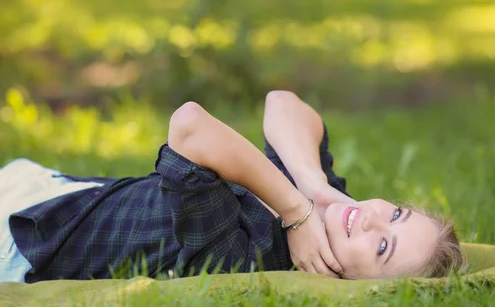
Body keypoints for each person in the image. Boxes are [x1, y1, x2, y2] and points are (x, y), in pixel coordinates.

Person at [0, 91, 464, 283]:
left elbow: (190, 127)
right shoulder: (323, 215)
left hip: (23, 239)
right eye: (397, 213)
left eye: (383, 245)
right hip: (58, 192)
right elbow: (282, 103)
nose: (374, 216)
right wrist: (312, 186)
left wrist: (295, 210)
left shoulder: (249, 261)